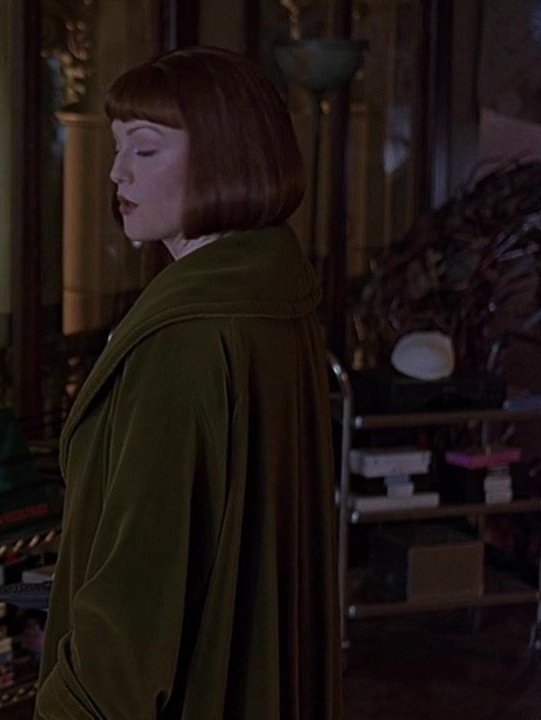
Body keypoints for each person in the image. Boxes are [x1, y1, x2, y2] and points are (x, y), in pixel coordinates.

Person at [34, 47, 340, 719]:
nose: (116, 171)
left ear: (225, 157)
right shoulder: (271, 297)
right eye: (117, 147)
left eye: (144, 149)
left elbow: (136, 603)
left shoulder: (186, 336)